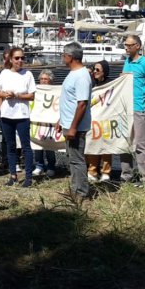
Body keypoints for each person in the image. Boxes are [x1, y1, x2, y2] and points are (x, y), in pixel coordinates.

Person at [0, 46, 36, 187]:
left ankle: (28, 177)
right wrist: (6, 94)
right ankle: (13, 175)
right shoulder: (4, 73)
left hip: (22, 115)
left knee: (26, 146)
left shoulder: (28, 74)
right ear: (11, 60)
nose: (20, 60)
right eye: (17, 58)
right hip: (7, 115)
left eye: (22, 58)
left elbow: (31, 96)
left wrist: (17, 95)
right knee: (10, 146)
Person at [121, 35, 145, 186]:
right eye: (125, 45)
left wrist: (142, 93)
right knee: (125, 143)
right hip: (125, 109)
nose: (126, 48)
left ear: (137, 46)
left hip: (137, 108)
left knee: (141, 143)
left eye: (129, 45)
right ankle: (126, 176)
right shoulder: (127, 62)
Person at [57, 42, 92, 199]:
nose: (62, 58)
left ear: (70, 57)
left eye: (63, 55)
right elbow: (69, 101)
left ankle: (81, 193)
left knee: (77, 160)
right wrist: (61, 120)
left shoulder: (82, 76)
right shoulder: (74, 73)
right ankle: (75, 188)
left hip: (76, 127)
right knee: (72, 159)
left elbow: (82, 104)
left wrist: (73, 127)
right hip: (69, 123)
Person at [86, 60, 112, 182]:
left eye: (98, 70)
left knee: (106, 146)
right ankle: (92, 170)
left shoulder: (111, 84)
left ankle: (106, 172)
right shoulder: (92, 84)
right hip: (93, 120)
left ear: (104, 72)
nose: (95, 72)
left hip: (106, 119)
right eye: (94, 70)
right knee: (92, 145)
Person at [32, 69, 58, 177]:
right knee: (37, 143)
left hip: (51, 121)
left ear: (50, 80)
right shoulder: (36, 90)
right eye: (41, 79)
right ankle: (39, 166)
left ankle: (51, 166)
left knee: (49, 145)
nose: (43, 81)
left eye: (46, 79)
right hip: (38, 120)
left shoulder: (55, 91)